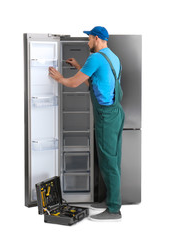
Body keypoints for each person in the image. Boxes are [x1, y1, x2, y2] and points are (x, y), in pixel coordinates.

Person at [49, 26, 125, 221]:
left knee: (109, 162)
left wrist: (59, 78)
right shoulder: (113, 57)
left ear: (97, 38)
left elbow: (74, 83)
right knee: (112, 160)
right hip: (116, 113)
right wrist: (77, 67)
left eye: (89, 38)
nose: (87, 42)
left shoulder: (95, 58)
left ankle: (114, 210)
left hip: (106, 116)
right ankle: (109, 201)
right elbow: (94, 83)